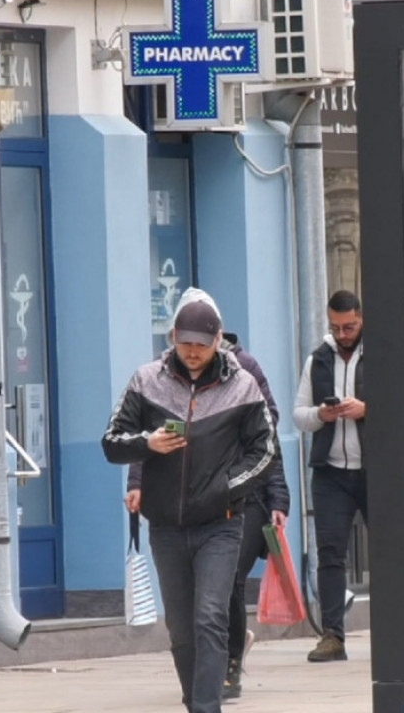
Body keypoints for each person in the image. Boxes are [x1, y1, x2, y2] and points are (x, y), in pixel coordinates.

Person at [102, 291, 275, 713]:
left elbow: (266, 450)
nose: (192, 352)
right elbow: (111, 442)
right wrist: (148, 443)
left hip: (221, 522)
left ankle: (206, 707)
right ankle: (194, 699)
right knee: (181, 628)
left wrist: (229, 487)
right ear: (173, 337)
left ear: (218, 340)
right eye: (185, 343)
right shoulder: (147, 380)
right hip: (165, 526)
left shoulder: (242, 385)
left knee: (209, 617)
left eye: (201, 344)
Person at [294, 289, 366, 662]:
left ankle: (395, 630)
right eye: (336, 327)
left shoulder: (378, 352)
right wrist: (322, 415)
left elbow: (403, 401)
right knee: (330, 554)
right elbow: (298, 414)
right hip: (330, 473)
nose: (342, 334)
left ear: (361, 319)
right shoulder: (318, 359)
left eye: (349, 326)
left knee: (391, 553)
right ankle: (333, 636)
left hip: (375, 470)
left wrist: (365, 409)